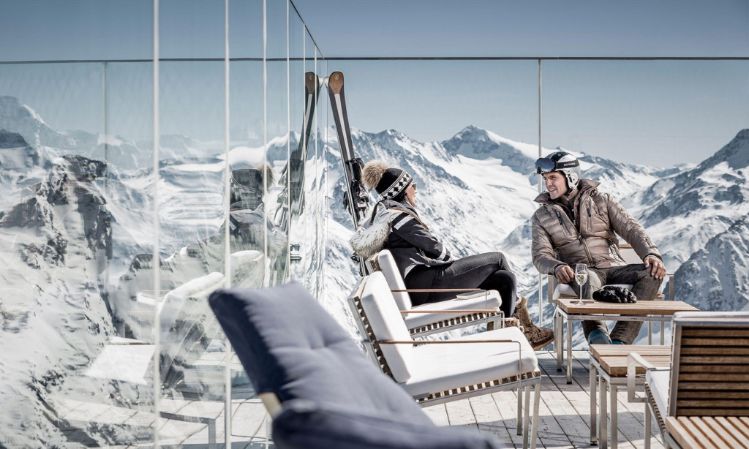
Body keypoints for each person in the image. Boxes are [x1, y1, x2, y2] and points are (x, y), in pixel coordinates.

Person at [357, 160, 554, 349]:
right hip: (423, 285)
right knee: (498, 259)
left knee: (504, 279)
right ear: (402, 191)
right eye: (412, 186)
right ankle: (526, 331)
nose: (415, 189)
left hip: (418, 284)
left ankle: (507, 336)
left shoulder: (387, 213)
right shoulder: (399, 217)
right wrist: (452, 264)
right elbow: (435, 248)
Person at [531, 151, 667, 345]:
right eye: (545, 179)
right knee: (585, 277)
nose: (548, 183)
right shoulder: (542, 216)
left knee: (652, 273)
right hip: (582, 271)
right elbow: (540, 255)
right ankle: (598, 336)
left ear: (571, 177)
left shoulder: (602, 200)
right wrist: (557, 266)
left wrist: (650, 253)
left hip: (613, 267)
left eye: (553, 177)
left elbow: (631, 229)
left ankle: (620, 340)